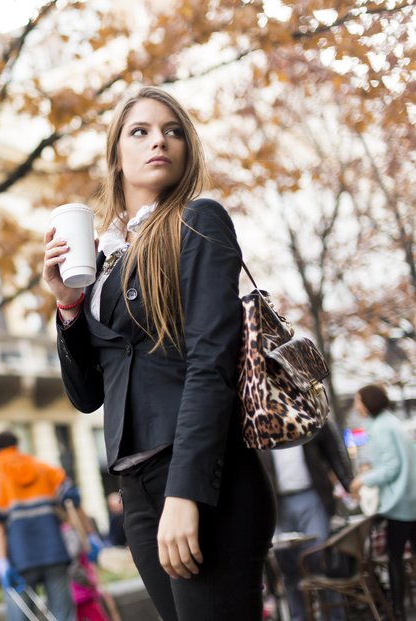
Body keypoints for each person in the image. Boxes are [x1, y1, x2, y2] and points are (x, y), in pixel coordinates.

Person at [45, 86, 276, 621]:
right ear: (116, 154)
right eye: (141, 131)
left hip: (201, 475)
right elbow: (87, 396)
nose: (160, 141)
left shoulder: (197, 220)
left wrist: (186, 493)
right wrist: (68, 307)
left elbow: (210, 363)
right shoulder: (105, 258)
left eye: (173, 131)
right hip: (138, 487)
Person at [0, 430, 103, 621]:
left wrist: (1, 561)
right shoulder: (44, 468)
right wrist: (91, 536)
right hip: (56, 554)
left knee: (20, 615)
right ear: (16, 446)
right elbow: (73, 503)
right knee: (64, 615)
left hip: (19, 560)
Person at [258, 422, 353, 621]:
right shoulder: (260, 416)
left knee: (319, 558)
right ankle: (299, 617)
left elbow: (333, 450)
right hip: (277, 502)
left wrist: (348, 484)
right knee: (288, 567)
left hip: (311, 496)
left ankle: (335, 616)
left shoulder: (305, 411)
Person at [349, 384, 416, 621]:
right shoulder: (391, 422)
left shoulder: (380, 428)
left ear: (368, 402)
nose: (356, 406)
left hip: (400, 502)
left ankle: (397, 611)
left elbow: (391, 468)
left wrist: (362, 480)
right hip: (410, 497)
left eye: (358, 401)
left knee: (394, 558)